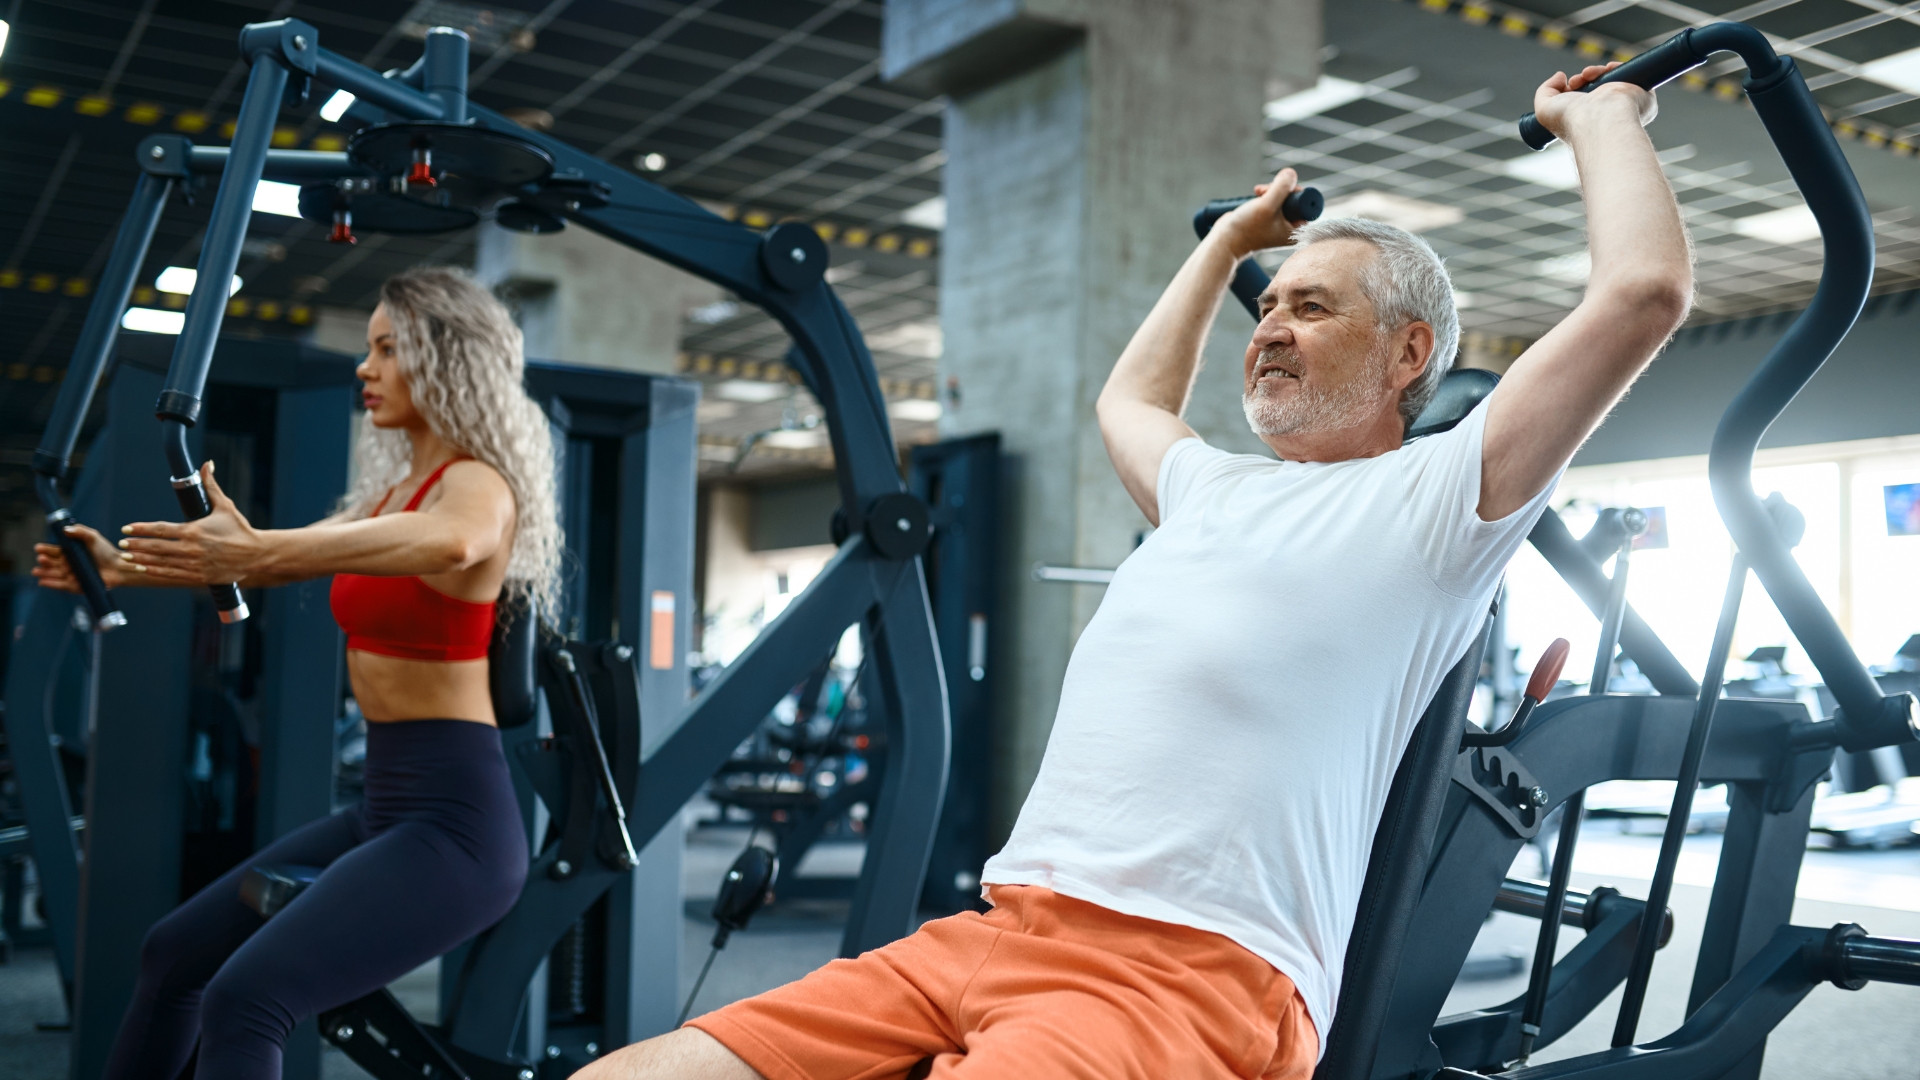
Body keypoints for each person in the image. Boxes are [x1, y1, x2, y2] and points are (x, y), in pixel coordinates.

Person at [579, 61, 1693, 1080]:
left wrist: (1602, 119)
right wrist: (1222, 250)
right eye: (1267, 310)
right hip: (994, 932)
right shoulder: (1210, 489)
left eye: (1312, 307)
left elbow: (1640, 295)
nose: (1270, 328)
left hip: (1187, 977)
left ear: (1409, 354)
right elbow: (1130, 402)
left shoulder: (1441, 500)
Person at [33, 267, 562, 1079]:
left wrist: (262, 548)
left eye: (389, 349)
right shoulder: (392, 494)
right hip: (385, 808)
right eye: (369, 348)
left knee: (247, 1000)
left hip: (456, 825)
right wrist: (124, 570)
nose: (366, 367)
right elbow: (268, 564)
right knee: (173, 955)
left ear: (448, 361)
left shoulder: (477, 485)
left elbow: (453, 543)